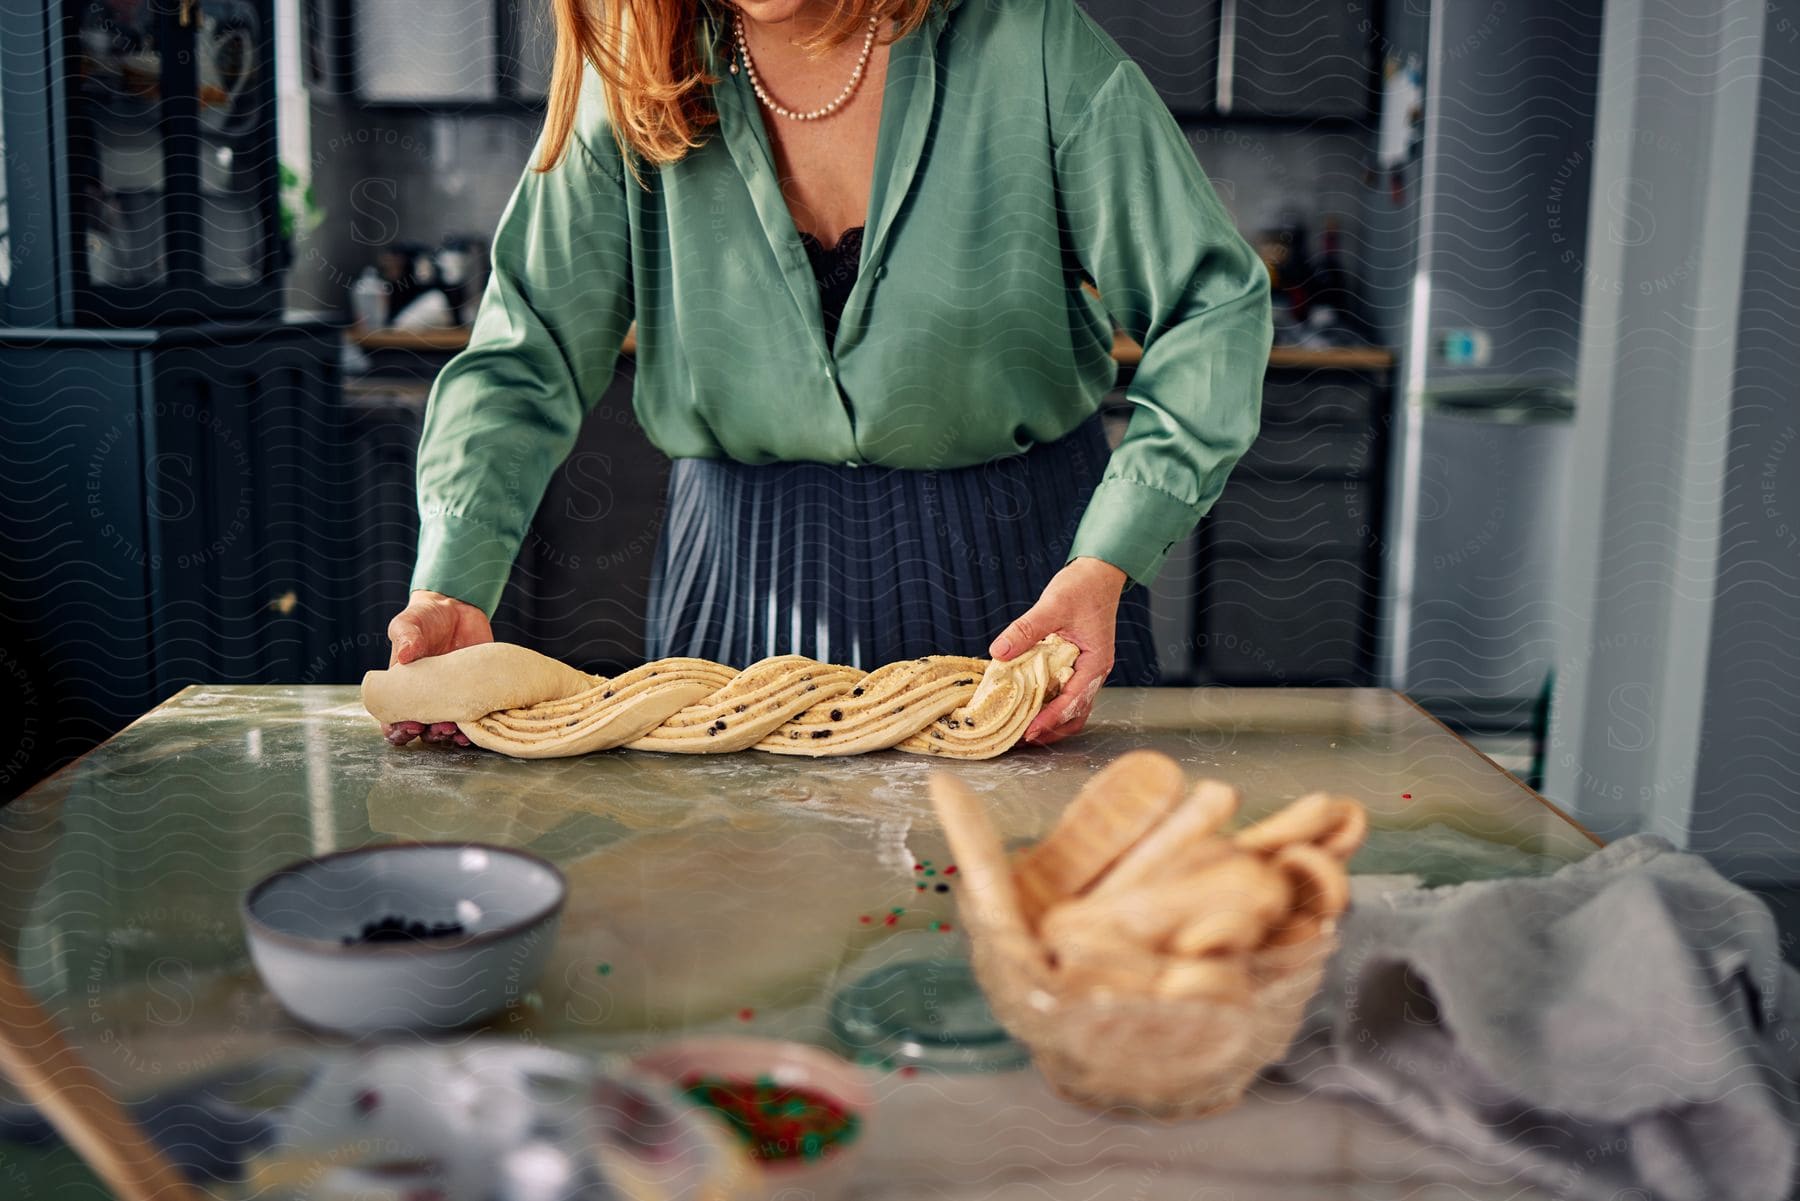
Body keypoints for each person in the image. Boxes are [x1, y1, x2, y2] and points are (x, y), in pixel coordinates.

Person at [381, 0, 1271, 749]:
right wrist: (450, 582)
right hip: (732, 603)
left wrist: (1109, 558)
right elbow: (523, 356)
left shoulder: (1032, 46)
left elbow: (1212, 308)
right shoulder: (634, 73)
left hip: (1027, 587)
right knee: (751, 931)